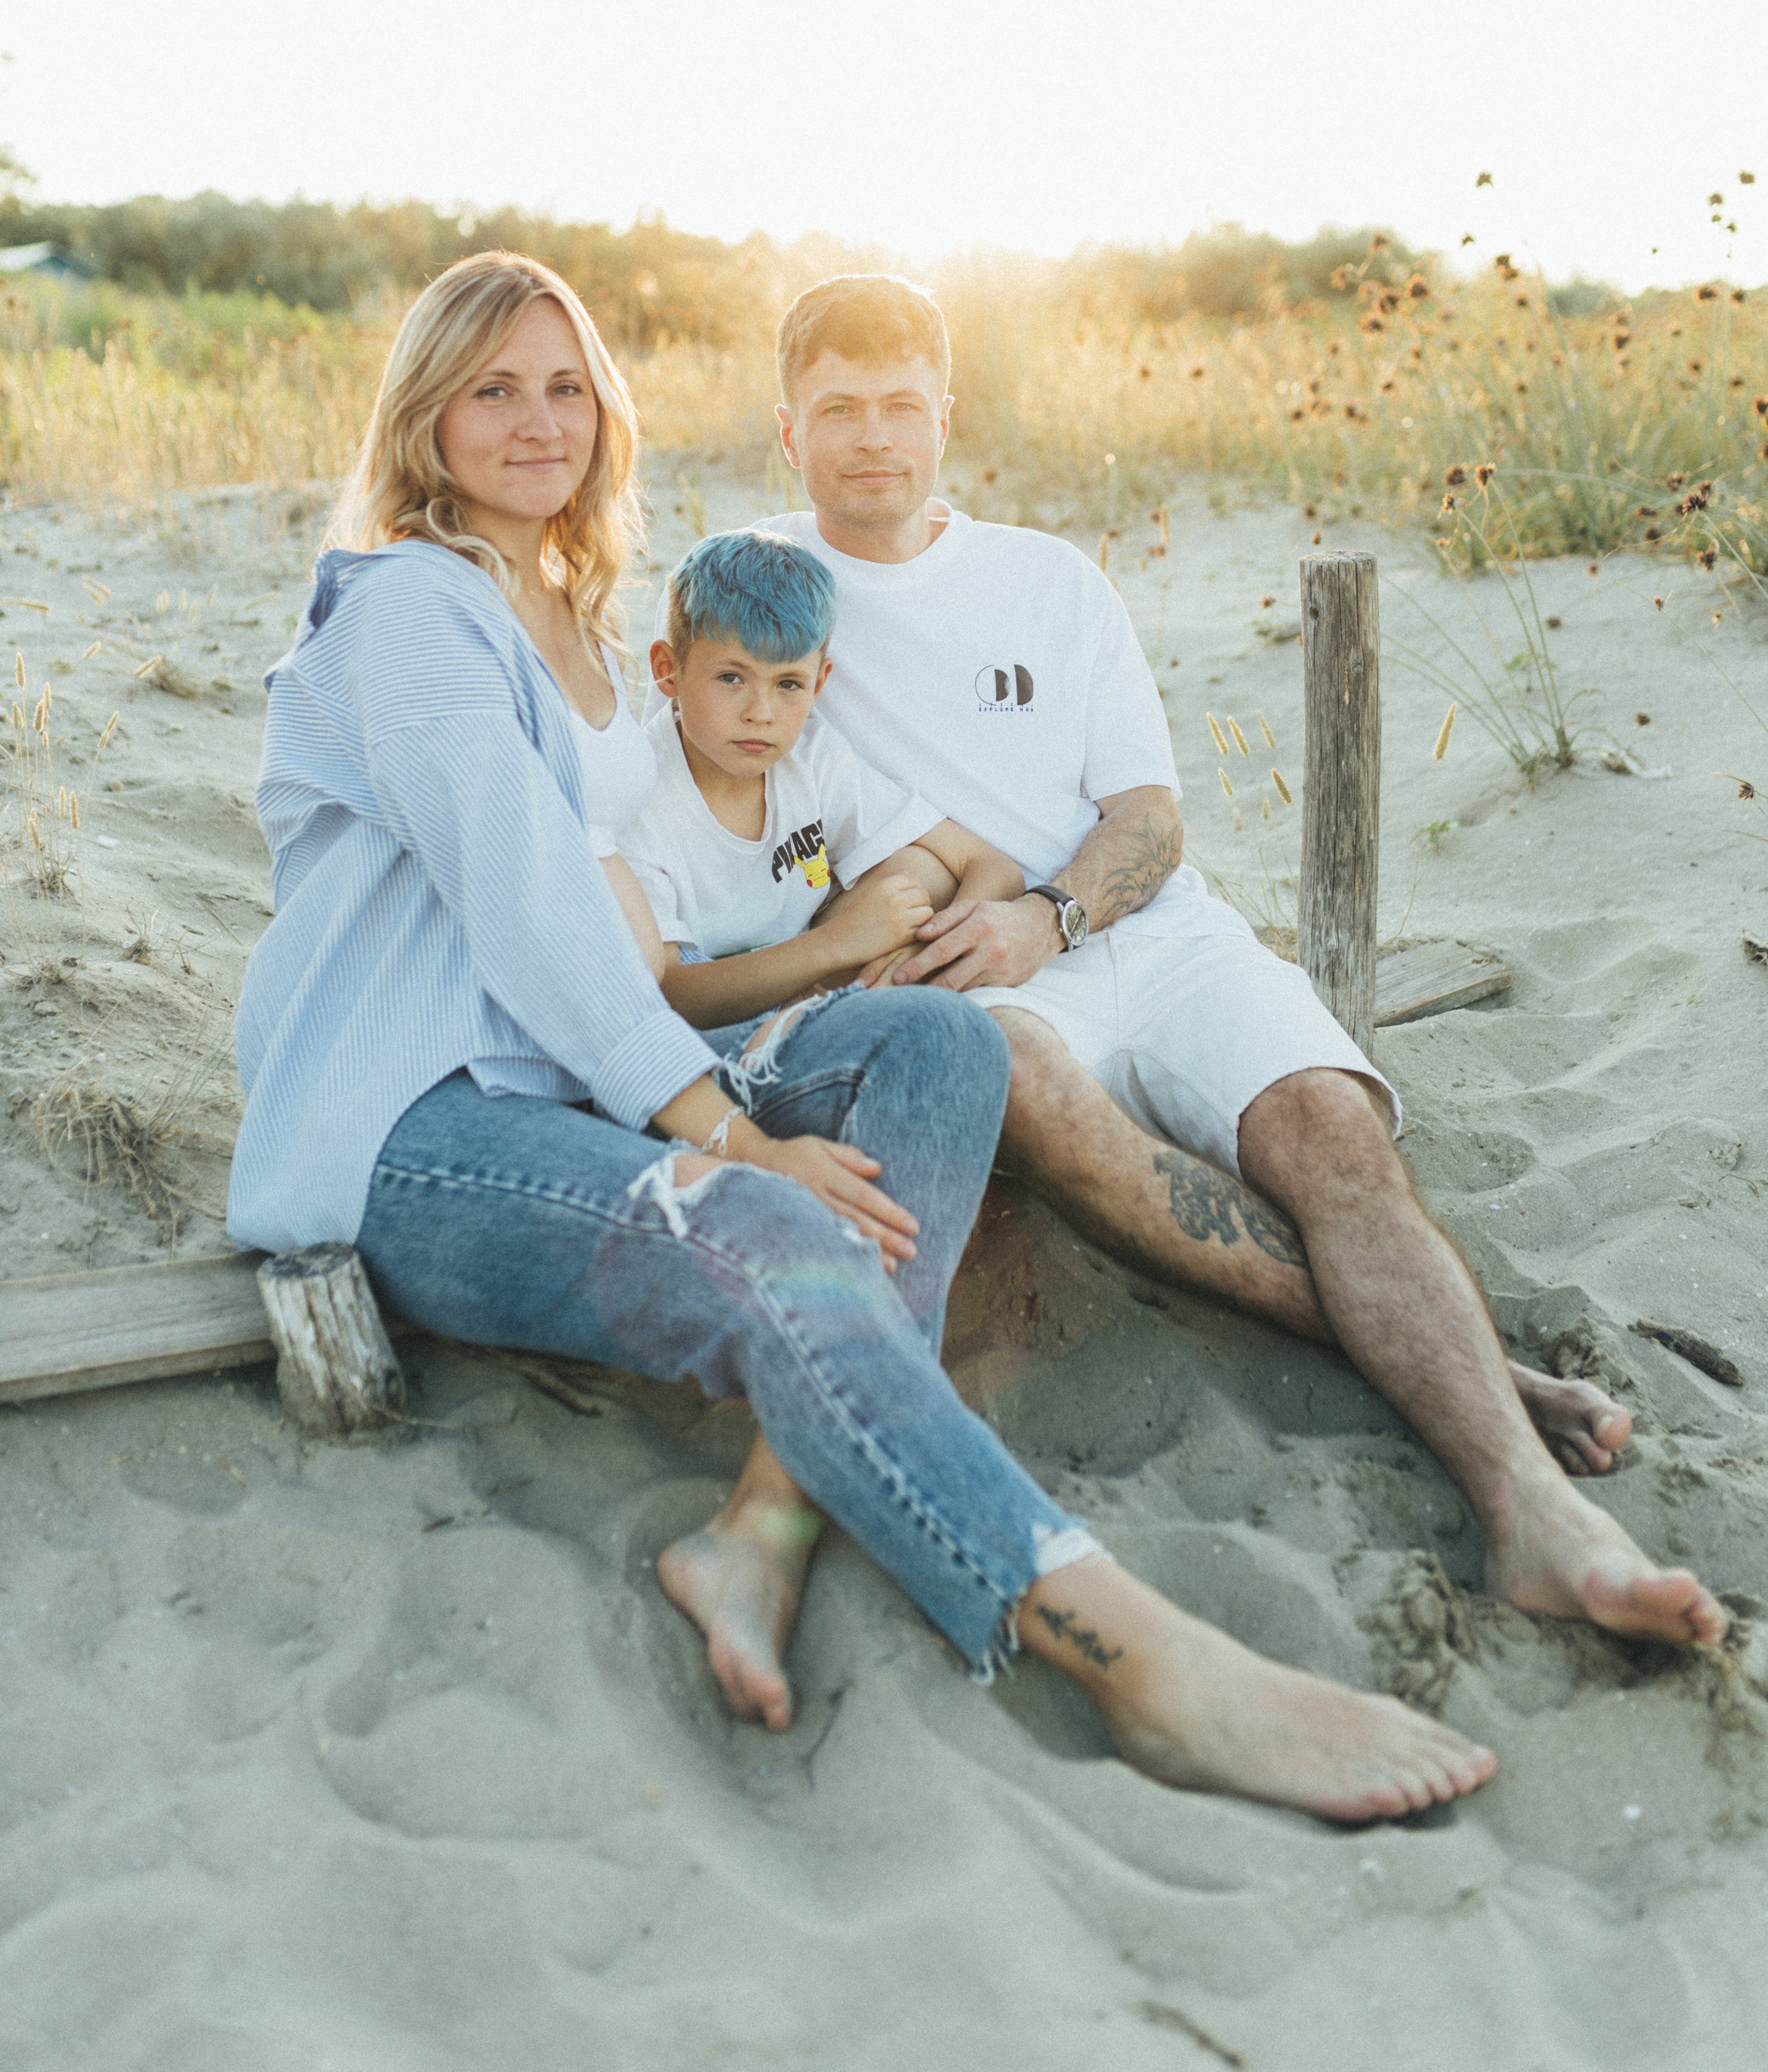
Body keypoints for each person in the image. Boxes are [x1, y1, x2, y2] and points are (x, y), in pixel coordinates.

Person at [230, 248, 1501, 1824]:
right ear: (425, 415)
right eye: (490, 386)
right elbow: (529, 914)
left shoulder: (567, 612)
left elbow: (683, 864)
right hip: (419, 1127)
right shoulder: (413, 611)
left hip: (579, 1095)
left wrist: (872, 935)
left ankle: (758, 1525)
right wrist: (724, 1124)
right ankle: (1133, 1650)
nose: (535, 417)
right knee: (767, 1213)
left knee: (942, 1049)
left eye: (566, 383)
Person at [748, 271, 1725, 1659]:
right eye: (834, 411)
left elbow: (1146, 822)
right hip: (979, 990)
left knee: (1329, 1132)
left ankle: (1533, 1516)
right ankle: (1483, 1383)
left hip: (1134, 930)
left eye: (898, 408)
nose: (869, 440)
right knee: (1008, 1062)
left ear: (943, 417)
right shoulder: (758, 590)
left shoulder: (1048, 580)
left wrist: (1057, 914)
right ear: (785, 431)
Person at [622, 525, 1025, 1028]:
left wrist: (927, 959)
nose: (761, 713)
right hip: (699, 1032)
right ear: (668, 670)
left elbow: (991, 867)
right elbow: (667, 994)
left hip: (806, 982)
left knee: (919, 872)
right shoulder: (636, 794)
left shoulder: (811, 756)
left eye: (789, 683)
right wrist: (836, 944)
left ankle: (813, 1016)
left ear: (820, 683)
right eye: (731, 677)